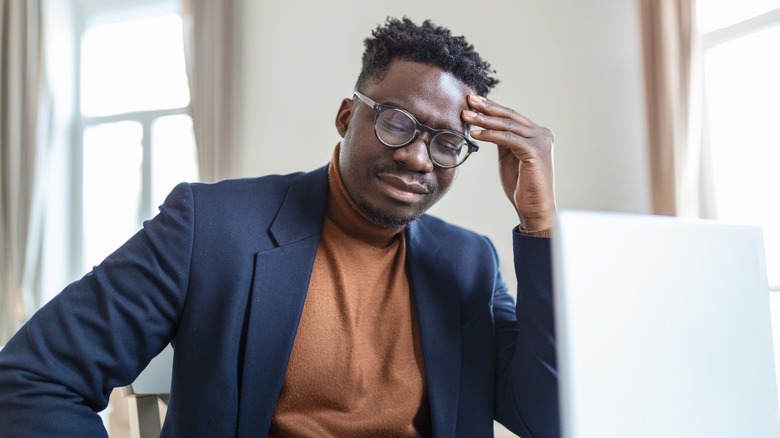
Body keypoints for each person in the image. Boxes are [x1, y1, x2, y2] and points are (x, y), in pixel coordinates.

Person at [0, 17, 559, 437]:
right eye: (398, 123)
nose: (418, 159)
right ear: (347, 117)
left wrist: (539, 225)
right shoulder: (210, 227)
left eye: (446, 143)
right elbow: (33, 378)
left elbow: (546, 418)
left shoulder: (469, 263)